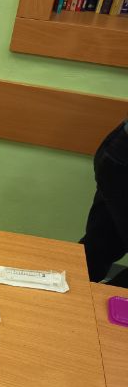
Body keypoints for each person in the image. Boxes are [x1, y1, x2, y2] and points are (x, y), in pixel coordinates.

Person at [80, 120, 128, 289]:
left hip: (119, 150)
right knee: (99, 246)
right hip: (120, 157)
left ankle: (59, 297)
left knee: (101, 245)